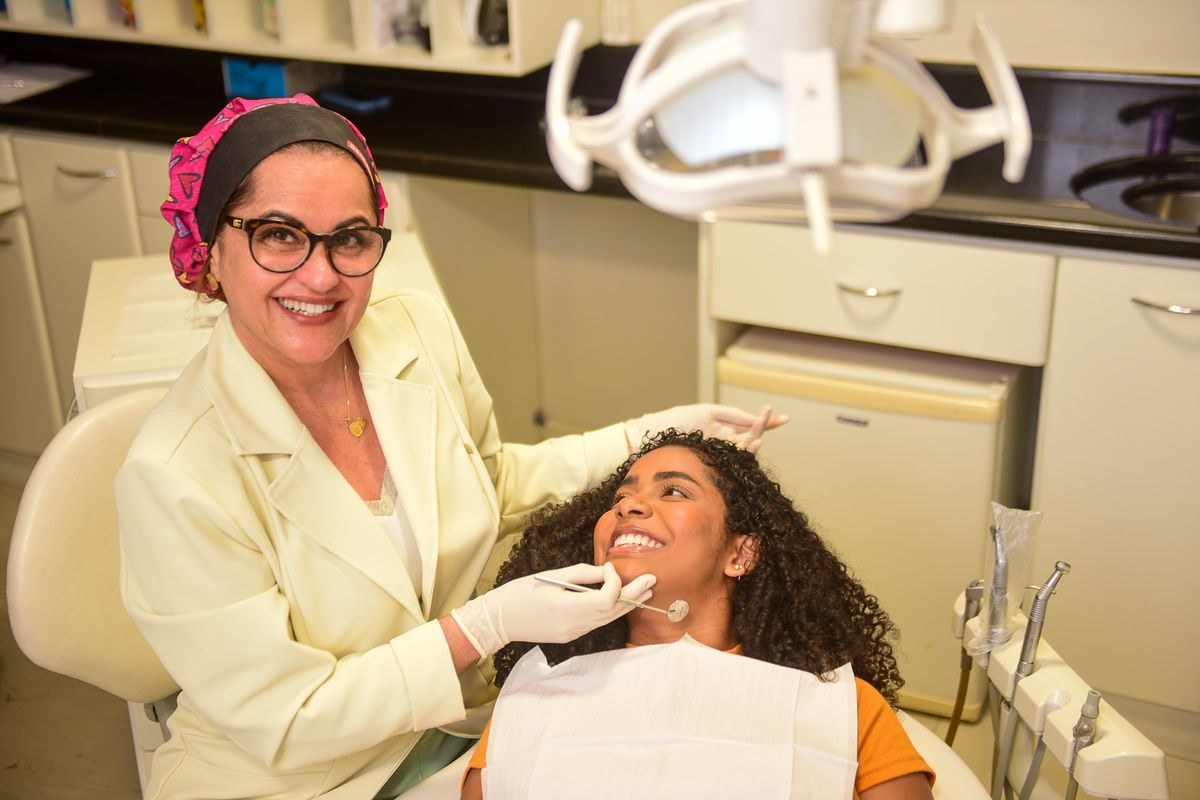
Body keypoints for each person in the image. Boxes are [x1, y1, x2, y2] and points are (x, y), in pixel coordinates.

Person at [115, 93, 785, 800]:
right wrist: (482, 627)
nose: (320, 276)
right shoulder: (172, 474)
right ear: (211, 248)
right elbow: (291, 720)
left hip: (456, 734)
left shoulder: (414, 331)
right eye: (279, 235)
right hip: (292, 781)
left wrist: (640, 439)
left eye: (350, 238)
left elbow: (488, 482)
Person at [462, 430, 935, 800]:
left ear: (741, 553)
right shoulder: (536, 693)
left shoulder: (839, 705)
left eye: (674, 492)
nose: (629, 504)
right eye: (619, 498)